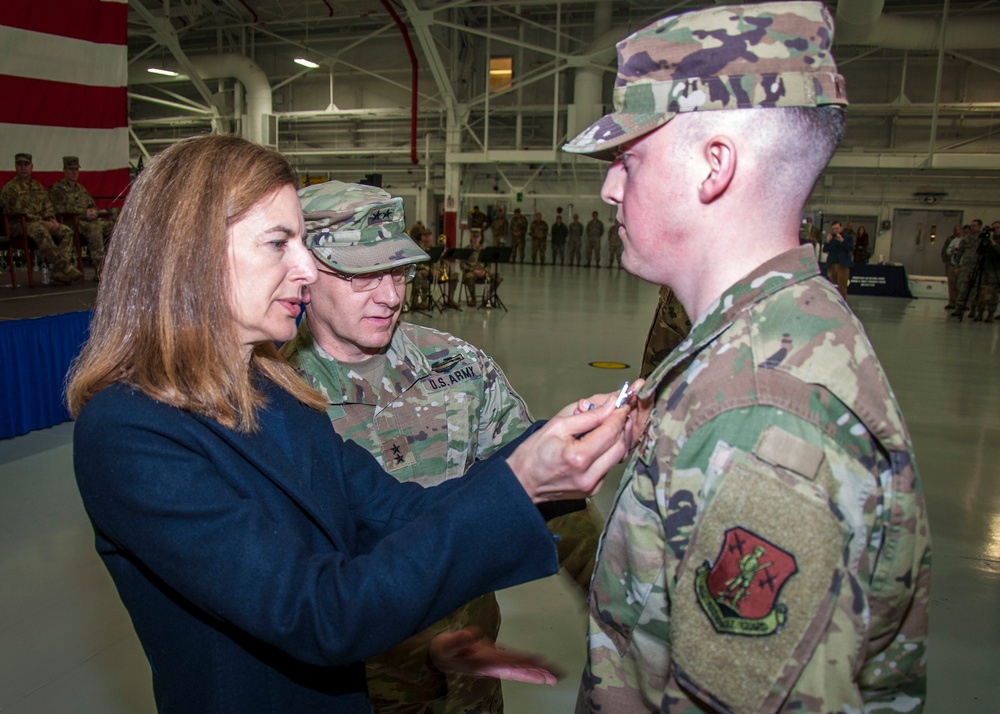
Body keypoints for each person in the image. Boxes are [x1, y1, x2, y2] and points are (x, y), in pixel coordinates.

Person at [67, 134, 635, 714]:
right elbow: (321, 613)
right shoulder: (130, 432)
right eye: (279, 243)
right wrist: (522, 482)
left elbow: (397, 513)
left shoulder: (272, 393)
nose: (306, 269)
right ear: (190, 253)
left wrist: (529, 466)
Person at [563, 3, 931, 713]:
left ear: (715, 164)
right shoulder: (771, 337)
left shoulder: (756, 416)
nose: (609, 186)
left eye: (628, 158)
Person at [281, 181, 603, 712]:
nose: (390, 296)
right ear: (305, 276)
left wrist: (623, 609)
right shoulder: (278, 399)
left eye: (398, 270)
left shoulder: (458, 367)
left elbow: (548, 496)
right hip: (362, 685)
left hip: (472, 663)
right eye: (363, 275)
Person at [0, 152, 81, 283]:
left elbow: (47, 206)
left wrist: (51, 219)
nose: (23, 168)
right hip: (18, 225)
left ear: (32, 167)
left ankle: (58, 272)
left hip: (40, 223)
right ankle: (64, 267)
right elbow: (18, 212)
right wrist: (43, 223)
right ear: (15, 167)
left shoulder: (38, 187)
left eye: (26, 164)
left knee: (66, 231)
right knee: (40, 230)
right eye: (20, 165)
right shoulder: (10, 189)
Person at [48, 155, 113, 279]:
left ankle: (112, 263)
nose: (74, 172)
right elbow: (60, 208)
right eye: (71, 169)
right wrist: (84, 212)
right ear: (65, 170)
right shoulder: (57, 188)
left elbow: (92, 205)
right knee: (94, 229)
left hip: (87, 221)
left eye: (76, 169)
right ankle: (99, 268)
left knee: (112, 227)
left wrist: (94, 211)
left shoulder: (81, 189)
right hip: (70, 222)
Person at [953, 218, 984, 317]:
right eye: (972, 226)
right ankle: (959, 306)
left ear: (979, 226)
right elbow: (960, 252)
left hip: (977, 267)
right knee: (962, 287)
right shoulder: (966, 239)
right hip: (966, 267)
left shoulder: (983, 238)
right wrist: (957, 265)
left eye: (975, 226)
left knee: (975, 289)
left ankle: (973, 308)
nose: (972, 227)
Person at [461, 227, 496, 306]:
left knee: (497, 277)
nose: (476, 239)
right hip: (471, 272)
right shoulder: (466, 249)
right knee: (469, 277)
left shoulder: (484, 250)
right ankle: (473, 299)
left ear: (480, 238)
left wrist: (485, 271)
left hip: (483, 272)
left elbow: (488, 264)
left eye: (478, 237)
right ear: (471, 237)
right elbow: (462, 264)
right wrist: (472, 270)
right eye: (474, 237)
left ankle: (487, 297)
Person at [823, 220, 853, 299]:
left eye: (837, 228)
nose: (835, 231)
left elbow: (850, 248)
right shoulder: (831, 238)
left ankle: (842, 305)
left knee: (842, 287)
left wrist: (842, 241)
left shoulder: (848, 238)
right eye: (833, 229)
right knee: (832, 287)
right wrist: (827, 241)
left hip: (843, 265)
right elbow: (825, 250)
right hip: (831, 264)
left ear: (841, 228)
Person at [942, 225, 963, 310]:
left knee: (962, 285)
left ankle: (961, 303)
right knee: (952, 284)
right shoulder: (952, 240)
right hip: (953, 263)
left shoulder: (966, 241)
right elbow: (946, 251)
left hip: (963, 265)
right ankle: (952, 302)